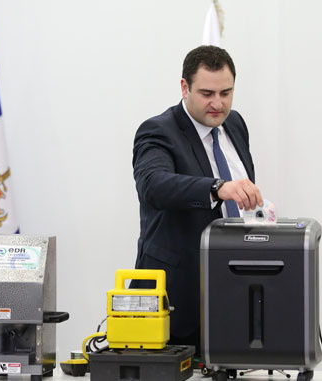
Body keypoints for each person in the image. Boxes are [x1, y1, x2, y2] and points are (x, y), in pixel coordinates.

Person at [132, 45, 263, 353]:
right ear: (184, 87)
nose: (218, 103)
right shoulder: (158, 131)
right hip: (178, 300)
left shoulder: (235, 124)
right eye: (206, 93)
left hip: (234, 292)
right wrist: (217, 188)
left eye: (226, 93)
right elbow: (154, 185)